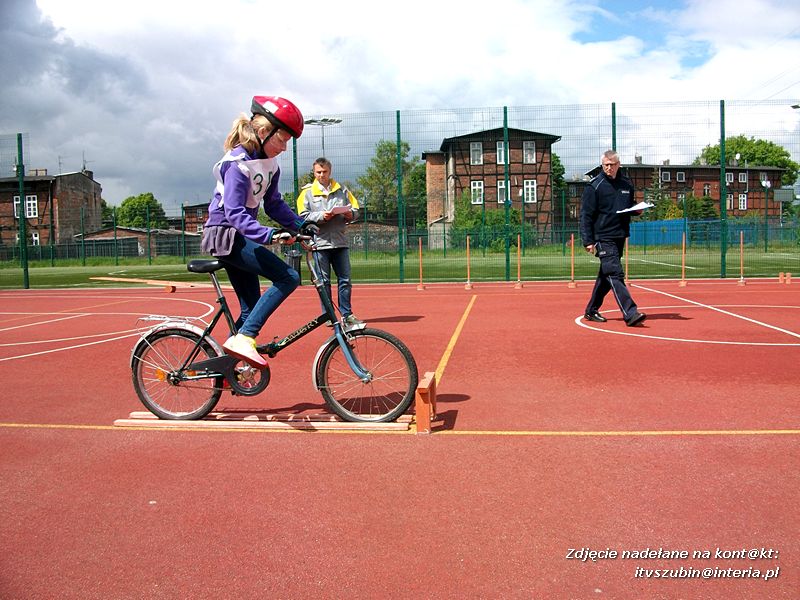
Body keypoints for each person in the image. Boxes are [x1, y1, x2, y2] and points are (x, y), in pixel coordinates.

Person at [201, 95, 313, 368]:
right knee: (287, 277)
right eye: (282, 140)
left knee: (251, 309)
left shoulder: (270, 165)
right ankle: (244, 338)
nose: (285, 148)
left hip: (240, 235)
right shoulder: (236, 164)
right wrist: (270, 235)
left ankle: (224, 367)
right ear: (264, 132)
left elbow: (274, 205)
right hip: (225, 235)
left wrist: (300, 225)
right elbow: (234, 213)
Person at [296, 157, 365, 330]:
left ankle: (347, 315)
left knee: (345, 280)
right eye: (318, 172)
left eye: (324, 172)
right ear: (314, 172)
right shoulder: (307, 193)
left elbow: (356, 210)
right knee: (324, 281)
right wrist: (321, 216)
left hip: (340, 243)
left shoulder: (342, 189)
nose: (322, 175)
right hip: (319, 244)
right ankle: (328, 315)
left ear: (330, 171)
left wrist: (351, 215)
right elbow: (301, 217)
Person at [579, 150, 647, 327]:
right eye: (606, 165)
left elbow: (628, 206)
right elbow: (586, 215)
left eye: (612, 164)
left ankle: (591, 309)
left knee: (606, 276)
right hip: (603, 237)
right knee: (615, 274)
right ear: (602, 165)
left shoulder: (626, 184)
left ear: (618, 165)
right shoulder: (594, 186)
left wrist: (637, 210)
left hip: (619, 235)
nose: (609, 168)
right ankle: (630, 313)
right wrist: (588, 240)